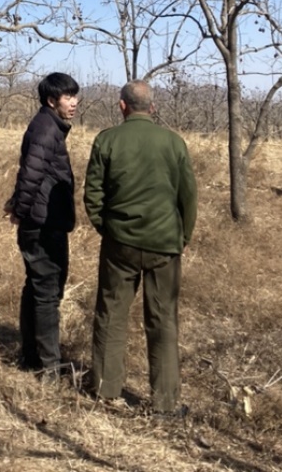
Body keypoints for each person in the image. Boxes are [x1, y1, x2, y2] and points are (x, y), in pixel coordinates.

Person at [83, 79, 197, 415]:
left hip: (120, 244)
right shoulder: (175, 143)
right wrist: (183, 237)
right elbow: (188, 197)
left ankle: (106, 391)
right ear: (154, 107)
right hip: (165, 244)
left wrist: (109, 228)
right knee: (163, 320)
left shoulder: (107, 140)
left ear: (122, 106)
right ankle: (164, 403)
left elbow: (93, 195)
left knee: (111, 314)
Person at [4, 72, 80, 378]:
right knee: (47, 291)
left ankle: (31, 356)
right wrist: (20, 211)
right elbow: (31, 175)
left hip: (47, 219)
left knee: (36, 288)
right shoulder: (46, 129)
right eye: (67, 97)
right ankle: (49, 367)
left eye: (75, 96)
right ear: (51, 101)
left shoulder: (49, 126)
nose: (74, 103)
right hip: (43, 223)